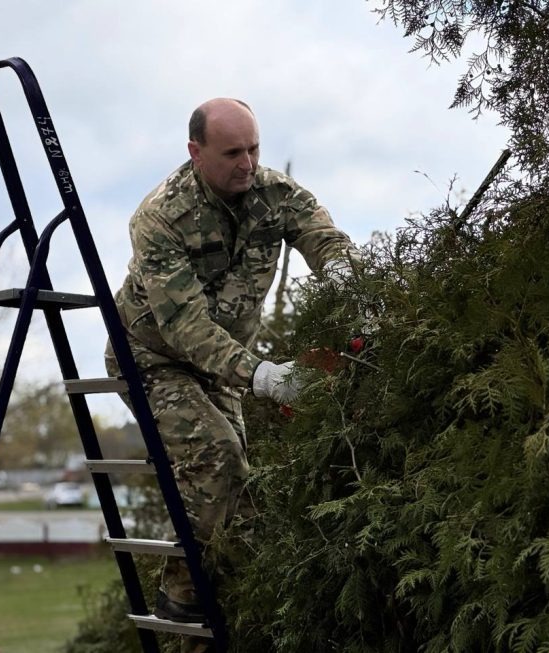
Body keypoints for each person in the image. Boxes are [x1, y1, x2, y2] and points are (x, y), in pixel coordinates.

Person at [105, 98, 359, 646]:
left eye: (253, 148)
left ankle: (204, 613)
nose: (246, 163)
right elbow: (186, 330)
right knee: (217, 456)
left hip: (223, 368)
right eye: (231, 153)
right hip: (152, 359)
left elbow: (323, 235)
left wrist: (343, 275)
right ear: (196, 153)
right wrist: (263, 375)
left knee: (240, 504)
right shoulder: (159, 219)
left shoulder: (275, 195)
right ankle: (179, 601)